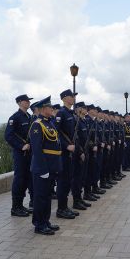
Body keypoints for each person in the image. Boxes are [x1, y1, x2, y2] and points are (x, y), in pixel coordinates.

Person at [29, 96, 61, 235]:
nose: (52, 109)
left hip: (52, 166)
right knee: (40, 196)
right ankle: (39, 224)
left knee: (47, 196)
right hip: (42, 167)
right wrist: (43, 169)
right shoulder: (37, 124)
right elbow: (36, 149)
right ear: (43, 109)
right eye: (50, 107)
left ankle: (46, 221)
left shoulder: (50, 123)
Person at [5, 94, 33, 217]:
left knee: (26, 179)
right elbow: (8, 136)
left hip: (30, 153)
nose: (28, 103)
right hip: (20, 153)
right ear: (20, 102)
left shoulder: (30, 117)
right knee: (19, 179)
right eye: (26, 101)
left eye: (28, 101)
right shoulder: (14, 118)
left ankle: (21, 205)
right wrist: (21, 146)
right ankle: (15, 207)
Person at [55, 89, 79, 219]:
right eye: (71, 96)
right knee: (63, 182)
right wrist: (66, 146)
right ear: (64, 98)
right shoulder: (61, 113)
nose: (73, 98)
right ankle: (60, 209)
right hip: (64, 153)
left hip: (72, 152)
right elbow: (56, 133)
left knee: (69, 180)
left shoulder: (72, 113)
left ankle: (65, 207)